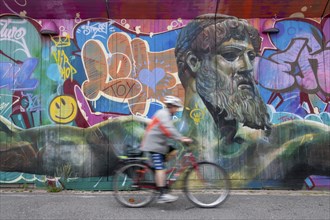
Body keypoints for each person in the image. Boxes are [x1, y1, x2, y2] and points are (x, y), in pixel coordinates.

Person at [140, 95, 192, 203]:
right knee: (161, 168)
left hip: (159, 143)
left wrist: (179, 138)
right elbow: (169, 129)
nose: (177, 110)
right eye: (176, 107)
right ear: (171, 106)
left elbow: (167, 130)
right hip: (154, 144)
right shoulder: (164, 114)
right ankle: (162, 194)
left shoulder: (165, 114)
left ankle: (159, 173)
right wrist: (182, 138)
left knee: (173, 151)